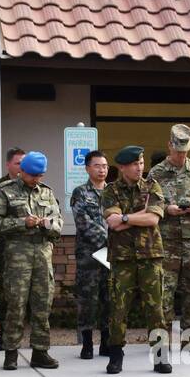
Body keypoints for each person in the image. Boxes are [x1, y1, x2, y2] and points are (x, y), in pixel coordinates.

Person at [0, 151, 63, 372]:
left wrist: (49, 224)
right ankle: (11, 353)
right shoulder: (5, 191)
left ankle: (40, 351)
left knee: (42, 305)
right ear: (22, 171)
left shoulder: (47, 193)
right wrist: (23, 222)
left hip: (42, 256)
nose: (36, 179)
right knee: (16, 305)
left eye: (39, 175)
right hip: (17, 258)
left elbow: (58, 221)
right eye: (32, 175)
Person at [101, 145, 171, 375]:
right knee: (119, 309)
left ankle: (160, 357)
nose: (139, 168)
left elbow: (153, 219)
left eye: (141, 163)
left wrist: (125, 217)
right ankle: (116, 355)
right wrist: (133, 217)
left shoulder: (152, 186)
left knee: (155, 309)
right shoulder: (111, 190)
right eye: (134, 164)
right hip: (123, 259)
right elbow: (112, 222)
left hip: (150, 256)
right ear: (122, 167)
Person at [148, 124, 190, 351]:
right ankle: (162, 342)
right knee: (164, 294)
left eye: (185, 152)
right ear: (169, 146)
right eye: (178, 151)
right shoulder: (156, 173)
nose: (181, 156)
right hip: (166, 242)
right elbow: (146, 204)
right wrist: (167, 209)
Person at [69, 149, 110, 360]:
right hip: (89, 256)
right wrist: (109, 241)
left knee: (109, 299)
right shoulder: (80, 193)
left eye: (104, 166)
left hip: (111, 257)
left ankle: (106, 342)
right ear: (87, 168)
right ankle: (86, 344)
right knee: (87, 300)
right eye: (97, 166)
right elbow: (83, 223)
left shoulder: (114, 192)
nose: (102, 170)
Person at [0, 147, 25, 352]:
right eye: (18, 163)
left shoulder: (33, 186)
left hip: (28, 249)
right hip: (6, 248)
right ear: (8, 165)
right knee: (6, 291)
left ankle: (21, 335)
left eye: (24, 163)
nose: (22, 167)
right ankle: (3, 334)